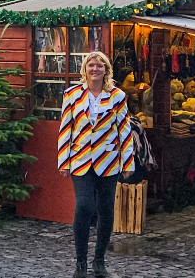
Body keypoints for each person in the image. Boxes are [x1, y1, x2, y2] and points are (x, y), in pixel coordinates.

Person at [56, 51, 134, 278]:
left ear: (106, 70)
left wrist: (127, 162)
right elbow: (65, 129)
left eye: (100, 66)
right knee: (84, 206)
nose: (95, 69)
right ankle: (80, 260)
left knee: (105, 210)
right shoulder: (72, 95)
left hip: (108, 161)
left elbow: (124, 130)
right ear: (85, 69)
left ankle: (99, 259)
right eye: (91, 65)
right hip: (80, 161)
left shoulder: (117, 96)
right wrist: (64, 159)